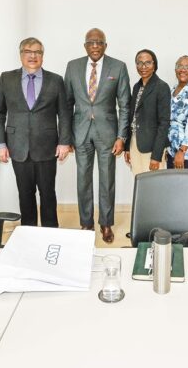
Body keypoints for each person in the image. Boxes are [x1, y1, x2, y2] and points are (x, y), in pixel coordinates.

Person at [0, 37, 71, 228]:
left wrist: (64, 141)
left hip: (47, 147)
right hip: (17, 146)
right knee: (25, 193)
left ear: (43, 56)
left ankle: (51, 231)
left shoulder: (55, 79)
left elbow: (65, 113)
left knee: (48, 193)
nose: (33, 56)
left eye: (37, 52)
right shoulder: (6, 78)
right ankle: (28, 232)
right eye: (28, 51)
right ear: (21, 55)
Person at [64, 28, 131, 243]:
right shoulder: (73, 66)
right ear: (85, 45)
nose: (95, 46)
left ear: (105, 45)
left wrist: (122, 136)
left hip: (107, 133)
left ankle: (106, 223)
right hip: (80, 131)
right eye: (91, 42)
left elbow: (125, 105)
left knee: (106, 180)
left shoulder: (118, 67)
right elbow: (66, 104)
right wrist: (66, 137)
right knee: (83, 179)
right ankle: (86, 223)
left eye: (99, 42)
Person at [124, 49, 170, 175]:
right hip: (135, 143)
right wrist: (127, 147)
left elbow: (164, 123)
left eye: (148, 63)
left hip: (152, 147)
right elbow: (131, 117)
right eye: (139, 63)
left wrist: (156, 155)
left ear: (154, 65)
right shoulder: (136, 87)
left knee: (154, 186)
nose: (143, 67)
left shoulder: (161, 87)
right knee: (139, 182)